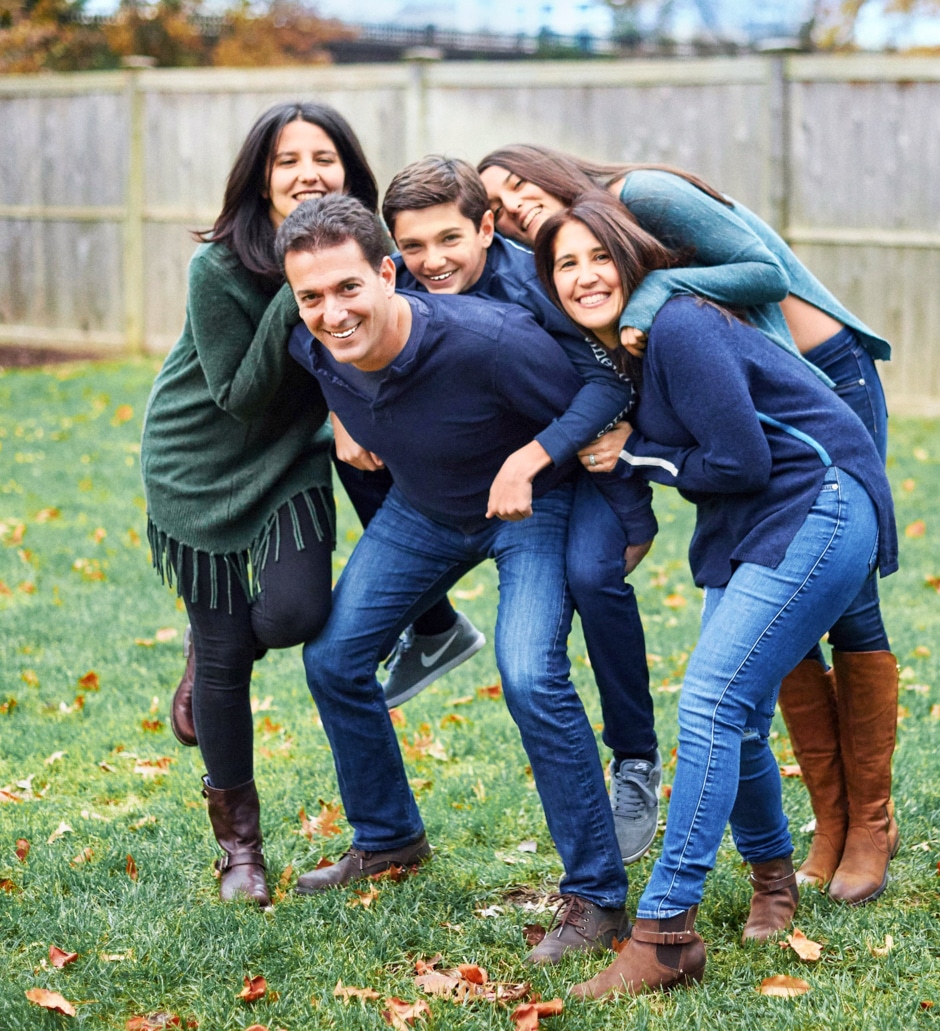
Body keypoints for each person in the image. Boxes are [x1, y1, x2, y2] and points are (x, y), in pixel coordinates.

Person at [479, 143, 900, 905]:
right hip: (748, 425)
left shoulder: (643, 201)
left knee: (844, 610)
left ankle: (868, 823)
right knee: (767, 652)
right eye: (500, 210)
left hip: (822, 390)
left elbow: (765, 273)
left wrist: (654, 300)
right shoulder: (615, 314)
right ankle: (823, 830)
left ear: (551, 169)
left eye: (518, 187)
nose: (514, 207)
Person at [278, 193, 655, 964]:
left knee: (528, 672)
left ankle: (597, 898)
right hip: (424, 511)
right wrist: (344, 416)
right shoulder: (312, 345)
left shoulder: (489, 340)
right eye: (310, 295)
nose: (332, 311)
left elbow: (606, 392)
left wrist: (566, 476)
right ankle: (387, 837)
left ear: (389, 274)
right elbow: (320, 363)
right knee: (332, 658)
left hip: (530, 513)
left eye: (348, 288)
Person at [373, 155, 661, 864]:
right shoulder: (397, 281)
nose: (432, 262)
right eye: (413, 246)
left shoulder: (532, 279)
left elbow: (605, 383)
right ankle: (424, 625)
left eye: (449, 240)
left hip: (571, 469)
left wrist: (533, 456)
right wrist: (344, 417)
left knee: (595, 579)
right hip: (464, 490)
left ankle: (635, 758)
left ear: (486, 227)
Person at [140, 101, 379, 908]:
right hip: (201, 461)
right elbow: (240, 397)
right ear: (260, 177)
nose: (308, 174)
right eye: (288, 161)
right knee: (225, 649)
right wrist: (294, 276)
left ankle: (212, 650)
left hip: (296, 458)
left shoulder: (361, 252)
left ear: (348, 172)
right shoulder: (217, 270)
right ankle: (240, 848)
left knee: (292, 614)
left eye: (325, 158)